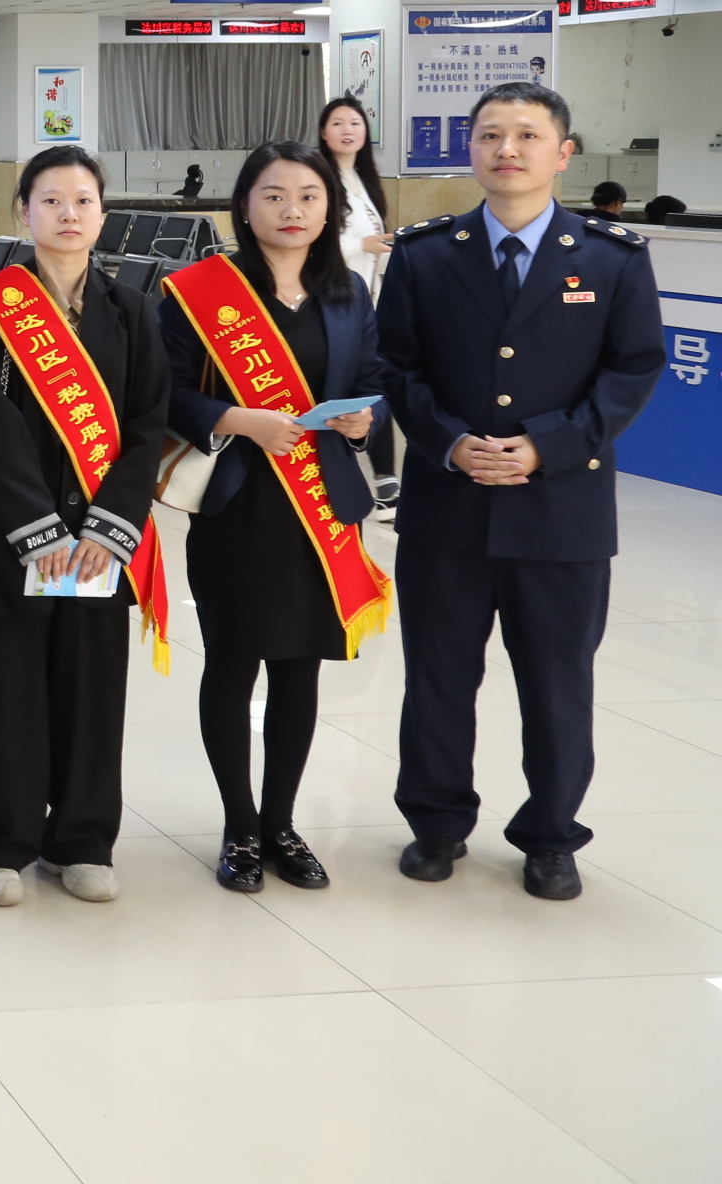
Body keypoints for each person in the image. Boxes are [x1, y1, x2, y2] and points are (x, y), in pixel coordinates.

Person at [379, 84, 661, 899]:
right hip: (448, 506)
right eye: (491, 135)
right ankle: (437, 822)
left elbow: (632, 369)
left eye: (528, 136)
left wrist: (549, 447)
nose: (507, 149)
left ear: (562, 153)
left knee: (558, 684)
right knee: (438, 677)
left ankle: (551, 835)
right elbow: (396, 366)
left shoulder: (611, 258)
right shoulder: (425, 254)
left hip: (563, 511)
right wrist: (448, 441)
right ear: (470, 149)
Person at [159, 141, 391, 894]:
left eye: (309, 197)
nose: (293, 210)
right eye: (274, 195)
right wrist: (237, 418)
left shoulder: (348, 294)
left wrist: (362, 420)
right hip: (239, 507)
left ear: (329, 209)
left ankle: (281, 824)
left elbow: (374, 380)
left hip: (321, 506)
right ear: (245, 204)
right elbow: (162, 392)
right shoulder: (199, 291)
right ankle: (239, 826)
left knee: (299, 668)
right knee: (233, 664)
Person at [0, 145, 170, 906]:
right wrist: (40, 529)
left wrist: (107, 528)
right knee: (8, 691)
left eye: (82, 201)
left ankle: (81, 840)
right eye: (50, 200)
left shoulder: (133, 310)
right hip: (16, 537)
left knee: (92, 691)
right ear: (24, 214)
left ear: (103, 215)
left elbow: (147, 425)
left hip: (102, 544)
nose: (68, 214)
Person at [318, 95, 399, 496]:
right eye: (338, 123)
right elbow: (313, 239)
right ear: (323, 132)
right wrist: (361, 246)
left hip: (366, 299)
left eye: (355, 123)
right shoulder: (319, 177)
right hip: (332, 296)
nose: (348, 130)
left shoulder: (364, 180)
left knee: (374, 381)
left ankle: (385, 476)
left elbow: (373, 242)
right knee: (354, 383)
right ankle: (373, 474)